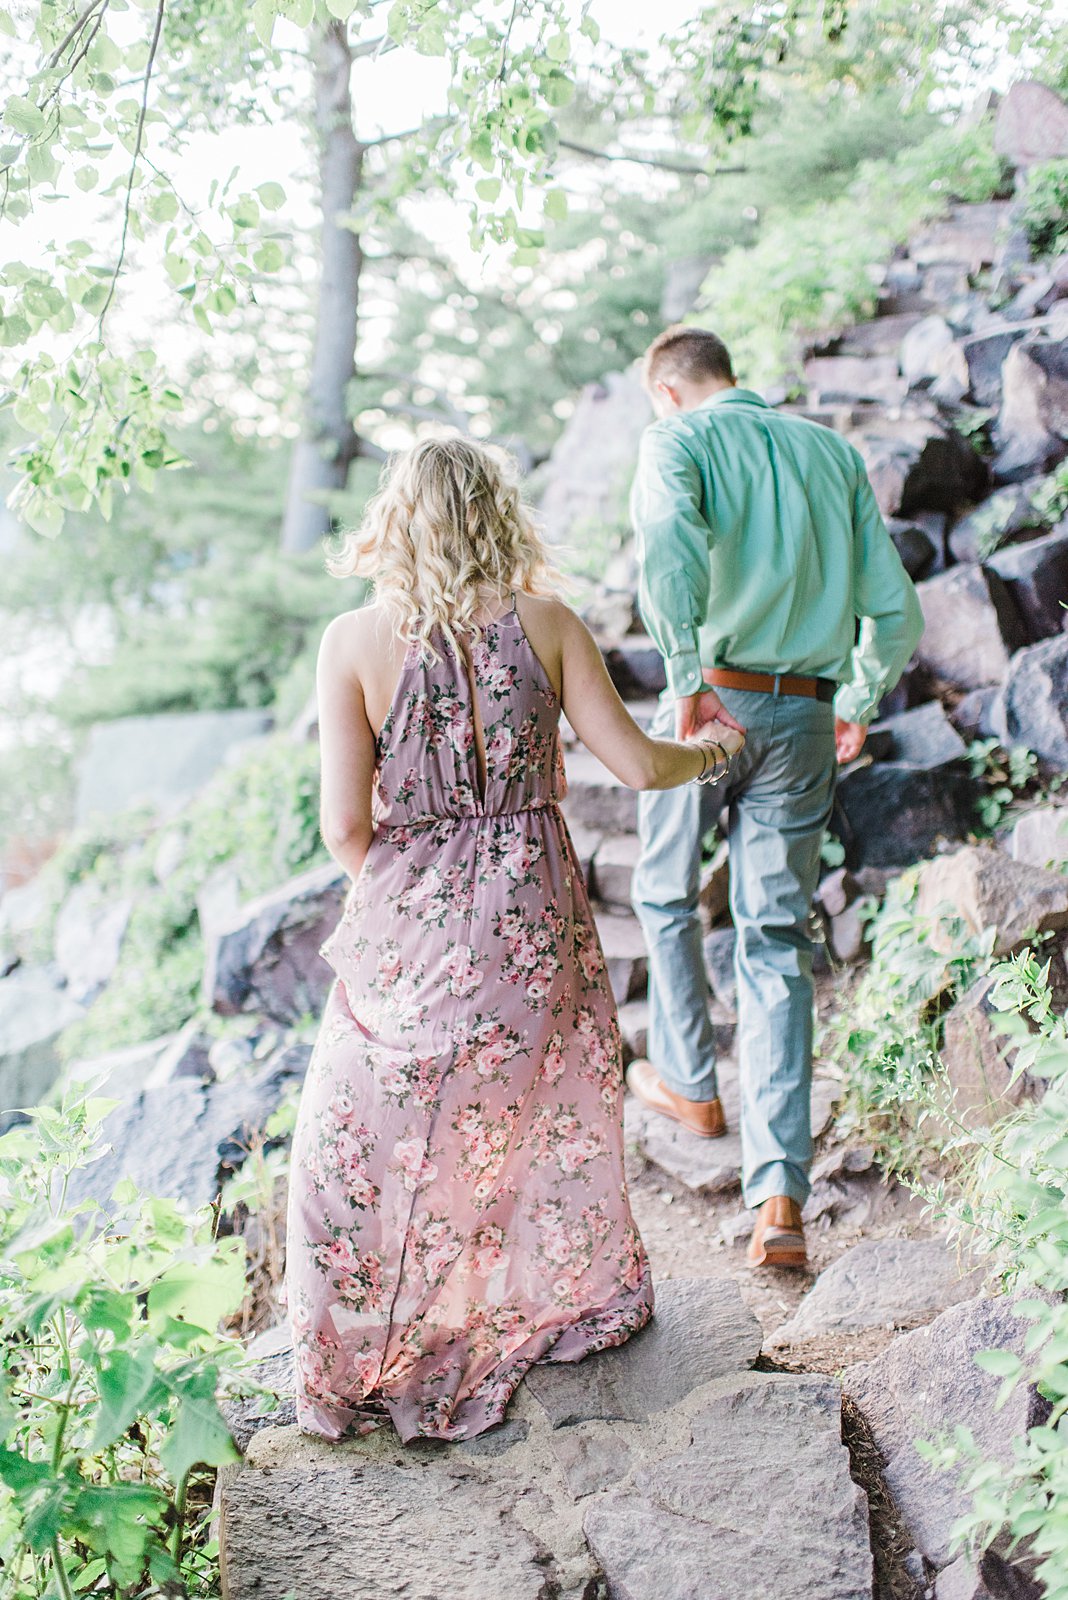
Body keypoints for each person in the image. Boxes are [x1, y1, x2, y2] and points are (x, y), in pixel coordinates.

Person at [283, 435, 745, 1444]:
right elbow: (631, 765)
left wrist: (411, 899)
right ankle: (528, 1302)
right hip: (534, 910)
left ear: (396, 519)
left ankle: (379, 1338)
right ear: (498, 512)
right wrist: (711, 753)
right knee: (523, 1117)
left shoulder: (352, 642)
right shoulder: (548, 623)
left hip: (411, 905)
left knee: (364, 1128)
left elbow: (342, 826)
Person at [626, 325, 924, 1270]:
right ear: (730, 375)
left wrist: (686, 678)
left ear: (667, 391)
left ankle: (690, 1083)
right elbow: (899, 610)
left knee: (666, 890)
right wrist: (860, 699)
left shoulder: (677, 441)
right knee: (776, 943)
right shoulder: (830, 453)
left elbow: (668, 538)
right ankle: (781, 1199)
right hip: (803, 717)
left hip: (710, 706)